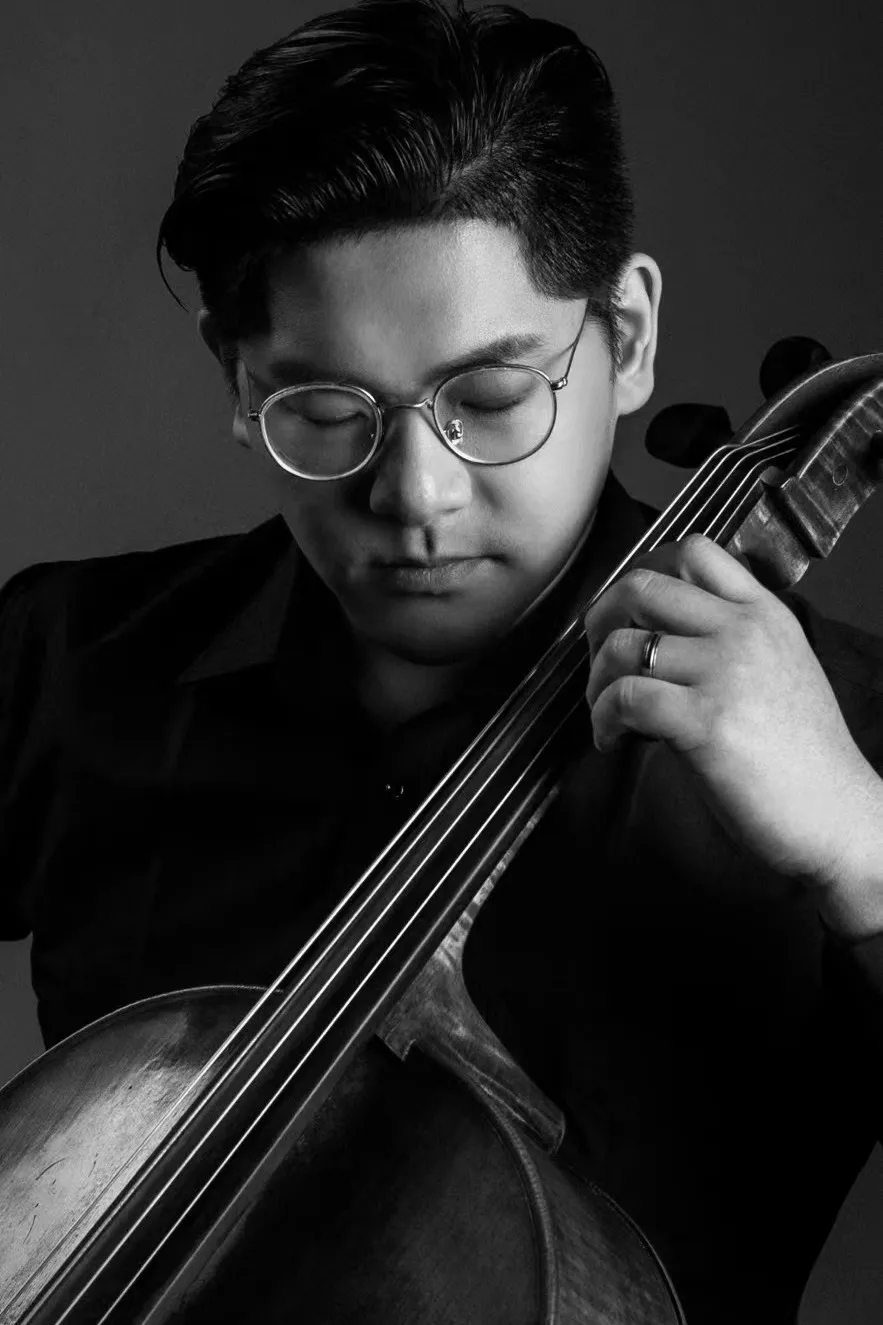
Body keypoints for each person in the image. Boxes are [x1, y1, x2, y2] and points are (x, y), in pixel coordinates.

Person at [0, 0, 881, 1319]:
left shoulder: (855, 740)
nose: (415, 493)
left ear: (629, 335)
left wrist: (865, 854)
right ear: (237, 381)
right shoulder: (68, 662)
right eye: (325, 408)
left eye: (489, 397)